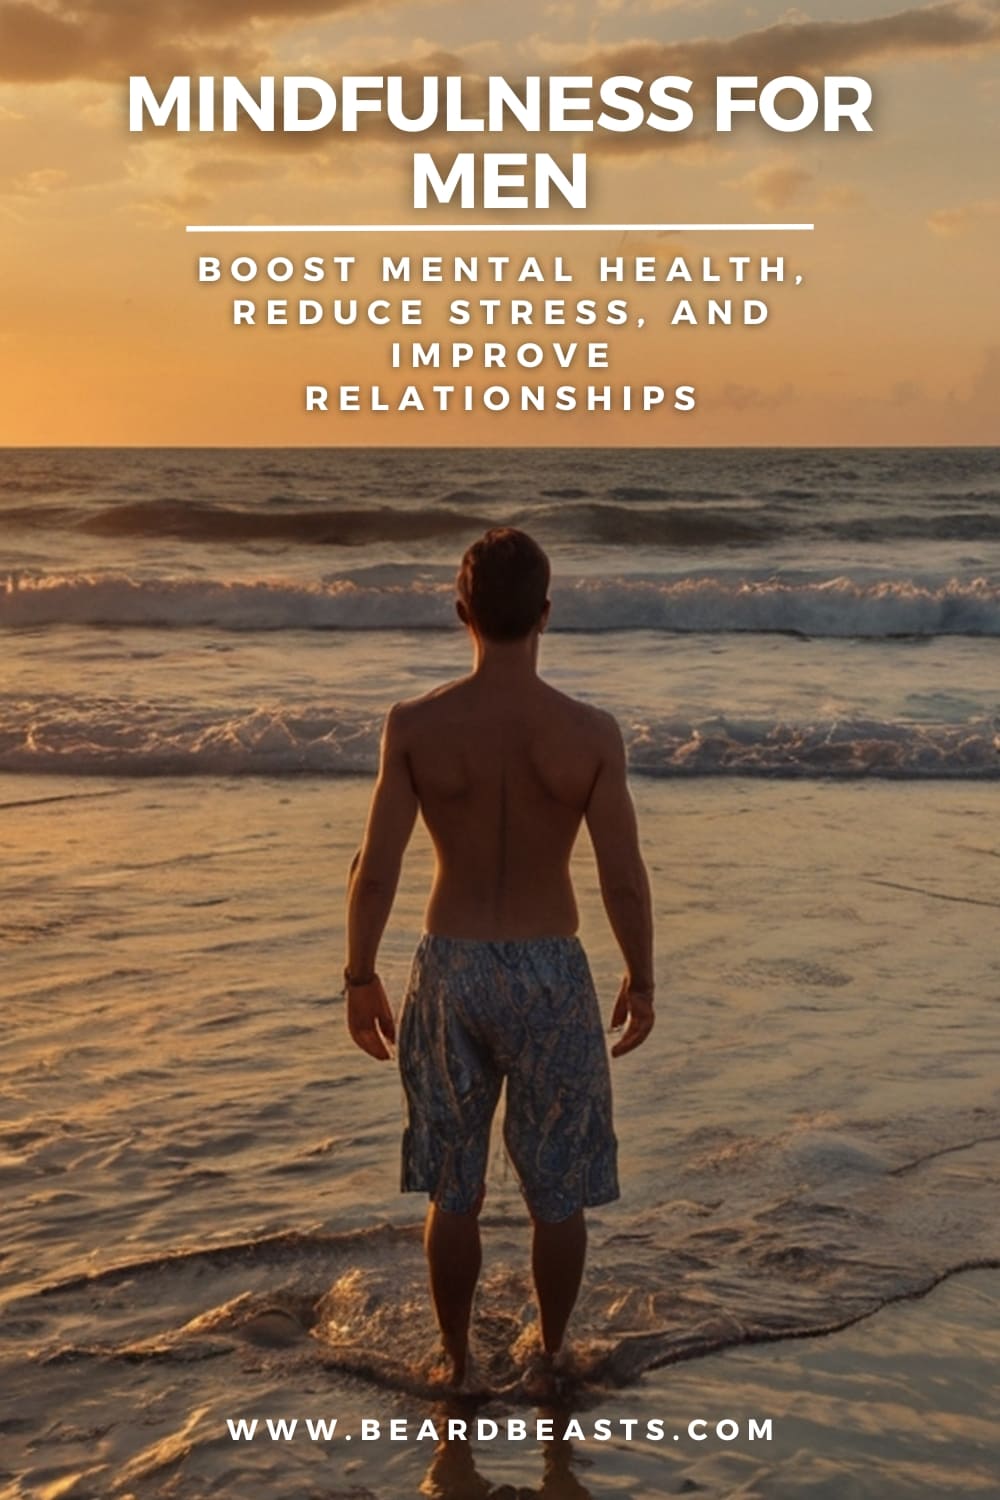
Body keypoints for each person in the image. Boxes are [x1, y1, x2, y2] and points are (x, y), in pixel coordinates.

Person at [344, 527, 655, 1390]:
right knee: (558, 1194)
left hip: (451, 970)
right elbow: (623, 877)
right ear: (546, 614)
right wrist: (641, 977)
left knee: (454, 1188)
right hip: (552, 972)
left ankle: (457, 1363)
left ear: (462, 614)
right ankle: (551, 1356)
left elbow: (376, 868)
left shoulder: (415, 726)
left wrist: (359, 975)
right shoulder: (590, 734)